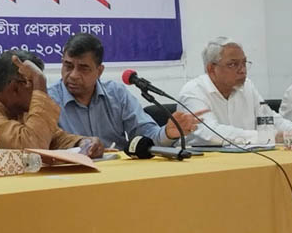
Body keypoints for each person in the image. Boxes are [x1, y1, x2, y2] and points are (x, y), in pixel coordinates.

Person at [48, 33, 200, 152]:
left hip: (120, 172)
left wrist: (167, 133)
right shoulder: (47, 99)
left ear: (99, 71)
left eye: (83, 68)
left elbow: (145, 134)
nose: (73, 75)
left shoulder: (116, 94)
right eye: (68, 66)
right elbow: (47, 146)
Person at [0, 49, 104, 156]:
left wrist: (83, 142)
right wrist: (40, 81)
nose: (41, 94)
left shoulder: (20, 109)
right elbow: (34, 147)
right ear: (15, 87)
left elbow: (54, 138)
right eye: (36, 87)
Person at [178, 37, 292, 145]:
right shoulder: (193, 92)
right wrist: (266, 137)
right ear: (211, 69)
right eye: (233, 64)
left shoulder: (247, 86)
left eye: (244, 63)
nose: (242, 70)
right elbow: (210, 134)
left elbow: (270, 118)